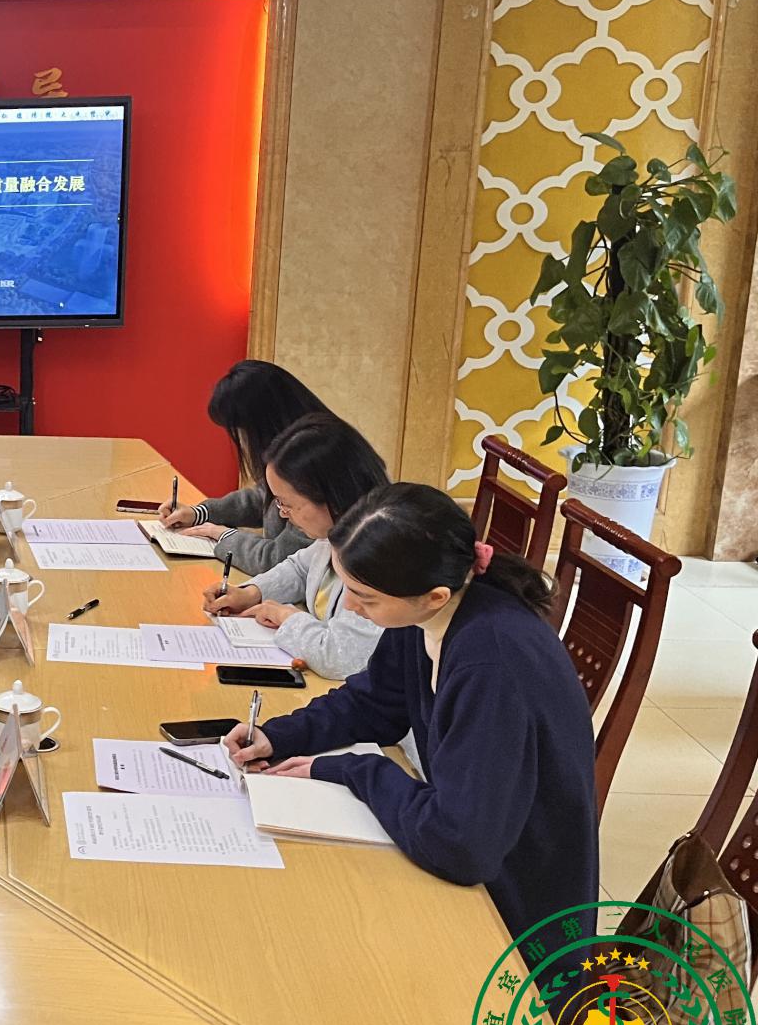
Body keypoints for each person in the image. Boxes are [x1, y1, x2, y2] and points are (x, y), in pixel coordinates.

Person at [224, 483, 596, 949]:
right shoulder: (427, 611)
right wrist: (280, 735)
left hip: (516, 920)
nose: (351, 607)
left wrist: (354, 770)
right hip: (474, 858)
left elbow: (460, 845)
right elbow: (376, 702)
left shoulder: (491, 666)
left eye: (365, 596)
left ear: (434, 595)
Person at [201, 412, 389, 679]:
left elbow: (338, 658)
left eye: (287, 504)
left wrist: (286, 618)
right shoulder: (335, 536)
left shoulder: (379, 556)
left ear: (332, 497)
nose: (282, 514)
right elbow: (299, 568)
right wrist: (252, 593)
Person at [159, 360, 329, 573]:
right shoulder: (300, 445)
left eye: (243, 431)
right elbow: (264, 498)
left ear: (263, 425)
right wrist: (200, 513)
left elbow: (278, 560)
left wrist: (222, 535)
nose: (244, 441)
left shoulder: (313, 461)